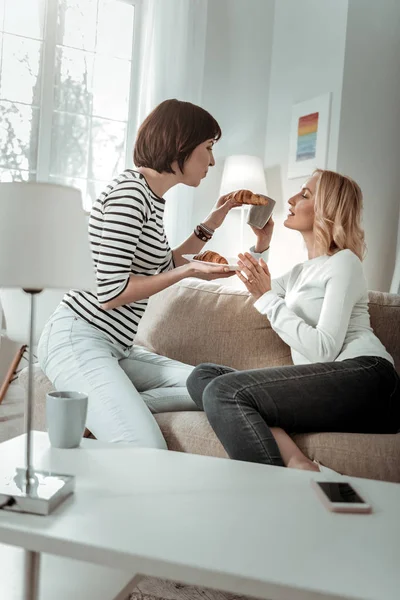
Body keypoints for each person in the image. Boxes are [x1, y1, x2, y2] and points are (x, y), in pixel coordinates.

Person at [37, 98, 240, 448]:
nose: (212, 160)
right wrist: (189, 271)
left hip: (116, 346)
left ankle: (114, 412)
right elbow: (112, 292)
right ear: (182, 144)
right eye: (208, 147)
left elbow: (164, 264)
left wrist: (210, 225)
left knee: (220, 385)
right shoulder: (130, 194)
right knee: (147, 448)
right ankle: (116, 416)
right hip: (78, 338)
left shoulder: (149, 199)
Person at [187, 169, 400, 471]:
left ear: (327, 209)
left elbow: (323, 350)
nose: (290, 199)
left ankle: (275, 492)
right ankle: (297, 462)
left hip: (368, 381)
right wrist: (262, 243)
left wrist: (268, 299)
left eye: (304, 195)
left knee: (224, 391)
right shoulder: (301, 272)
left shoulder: (345, 263)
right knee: (204, 377)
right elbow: (252, 290)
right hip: (334, 381)